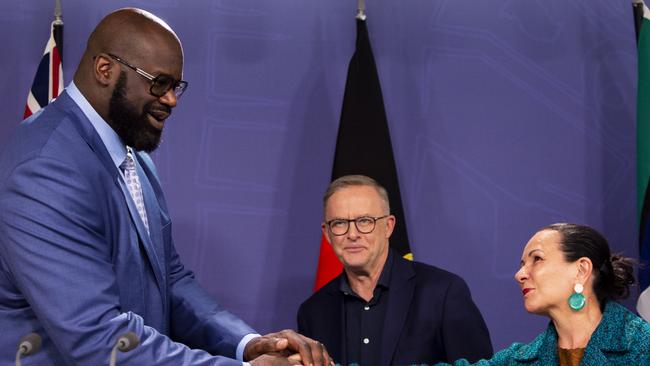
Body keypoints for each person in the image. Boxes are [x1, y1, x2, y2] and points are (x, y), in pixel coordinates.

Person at [0, 8, 331, 366]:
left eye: (176, 86)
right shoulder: (45, 168)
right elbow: (97, 339)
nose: (171, 99)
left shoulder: (132, 157)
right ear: (105, 70)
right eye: (158, 83)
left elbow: (170, 281)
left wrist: (249, 344)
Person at [297, 175, 493, 365]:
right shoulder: (313, 312)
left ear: (388, 226)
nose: (353, 234)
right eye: (339, 223)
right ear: (327, 234)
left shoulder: (443, 293)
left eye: (365, 221)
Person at [438, 223, 650, 366]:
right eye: (522, 264)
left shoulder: (642, 346)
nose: (519, 274)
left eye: (536, 259)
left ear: (581, 270)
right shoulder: (519, 359)